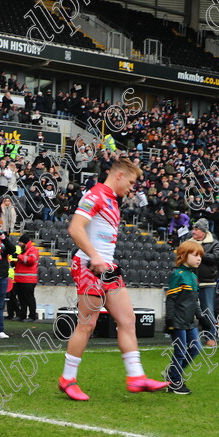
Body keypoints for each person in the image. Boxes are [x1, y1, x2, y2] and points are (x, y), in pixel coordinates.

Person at [60, 158, 168, 401]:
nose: (132, 188)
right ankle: (67, 379)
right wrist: (95, 256)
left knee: (128, 319)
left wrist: (103, 259)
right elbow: (75, 228)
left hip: (107, 267)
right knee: (87, 324)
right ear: (119, 175)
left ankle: (136, 376)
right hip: (89, 265)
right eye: (130, 182)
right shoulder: (96, 194)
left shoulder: (112, 200)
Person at [164, 241, 211, 395]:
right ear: (183, 256)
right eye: (195, 255)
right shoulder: (178, 275)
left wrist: (201, 317)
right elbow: (171, 299)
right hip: (178, 321)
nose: (199, 259)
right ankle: (174, 382)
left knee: (196, 349)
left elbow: (194, 300)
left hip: (190, 321)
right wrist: (169, 320)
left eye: (200, 256)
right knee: (180, 351)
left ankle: (172, 374)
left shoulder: (192, 276)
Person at [189, 218, 219, 347]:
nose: (194, 231)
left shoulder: (214, 243)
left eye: (196, 229)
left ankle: (210, 336)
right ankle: (192, 337)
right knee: (189, 309)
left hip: (208, 282)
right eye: (193, 229)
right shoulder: (188, 242)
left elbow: (215, 259)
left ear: (203, 231)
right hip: (191, 281)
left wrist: (199, 253)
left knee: (208, 310)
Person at [13, 234, 39, 321]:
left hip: (28, 280)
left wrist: (18, 256)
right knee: (21, 299)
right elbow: (23, 262)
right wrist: (15, 263)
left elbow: (30, 261)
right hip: (21, 279)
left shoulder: (33, 250)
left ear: (25, 243)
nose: (19, 244)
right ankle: (22, 315)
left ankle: (32, 316)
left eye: (21, 242)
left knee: (29, 298)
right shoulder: (24, 250)